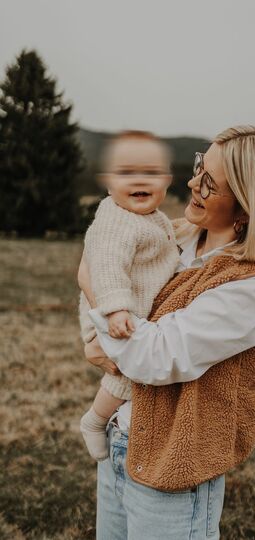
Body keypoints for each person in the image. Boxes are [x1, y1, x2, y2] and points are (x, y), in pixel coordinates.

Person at [84, 125, 255, 540]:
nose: (191, 183)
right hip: (121, 442)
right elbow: (106, 244)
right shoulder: (174, 240)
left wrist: (91, 286)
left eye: (209, 182)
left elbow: (155, 356)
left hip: (173, 473)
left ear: (246, 207)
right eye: (198, 166)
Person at [78, 130, 180, 461]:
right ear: (108, 184)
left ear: (166, 181)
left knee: (131, 371)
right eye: (126, 173)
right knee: (126, 376)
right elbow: (106, 266)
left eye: (151, 173)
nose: (140, 180)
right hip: (111, 312)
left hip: (125, 313)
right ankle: (94, 420)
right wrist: (115, 310)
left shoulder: (154, 218)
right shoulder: (115, 220)